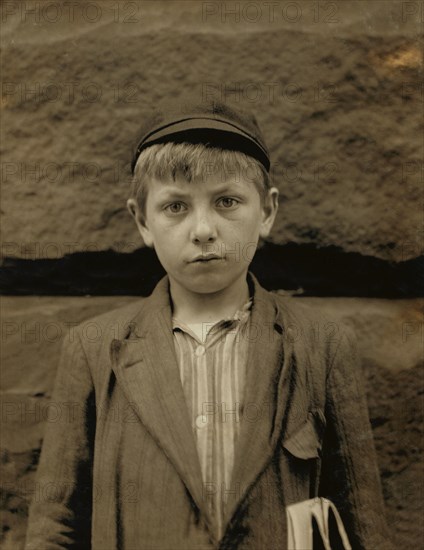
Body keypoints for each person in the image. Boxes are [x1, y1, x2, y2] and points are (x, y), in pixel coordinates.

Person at [25, 100, 392, 549]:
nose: (202, 229)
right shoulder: (94, 347)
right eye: (175, 206)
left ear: (267, 212)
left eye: (227, 201)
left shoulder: (321, 343)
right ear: (142, 221)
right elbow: (57, 523)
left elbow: (362, 521)